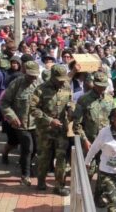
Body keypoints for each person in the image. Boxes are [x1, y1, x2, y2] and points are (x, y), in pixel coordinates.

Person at [30, 64, 73, 196]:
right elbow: (33, 109)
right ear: (53, 77)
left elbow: (69, 101)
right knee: (44, 157)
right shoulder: (40, 90)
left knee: (61, 158)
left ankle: (59, 185)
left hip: (61, 130)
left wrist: (70, 108)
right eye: (59, 79)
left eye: (63, 79)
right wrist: (49, 120)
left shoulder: (66, 87)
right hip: (45, 130)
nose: (62, 82)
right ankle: (41, 181)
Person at [84, 108, 116, 211]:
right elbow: (94, 148)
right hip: (107, 171)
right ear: (113, 119)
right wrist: (87, 161)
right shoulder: (104, 132)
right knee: (113, 203)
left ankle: (101, 199)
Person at [0, 61, 41, 185]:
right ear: (24, 72)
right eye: (31, 75)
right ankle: (25, 175)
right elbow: (4, 103)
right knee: (28, 147)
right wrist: (12, 116)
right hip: (20, 123)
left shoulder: (38, 84)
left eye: (35, 75)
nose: (33, 78)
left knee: (35, 149)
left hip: (35, 123)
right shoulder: (16, 84)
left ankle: (24, 163)